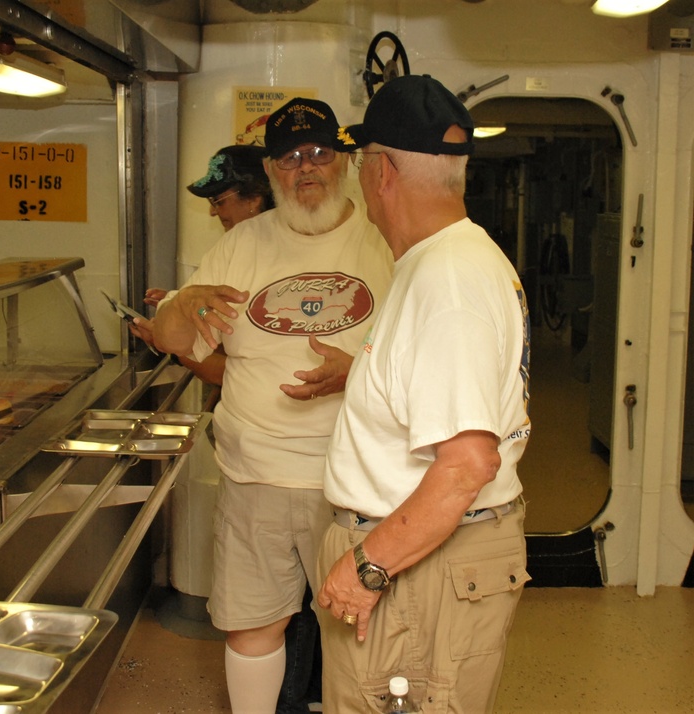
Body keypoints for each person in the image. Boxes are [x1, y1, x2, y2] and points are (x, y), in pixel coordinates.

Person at [153, 97, 394, 714]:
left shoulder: (383, 239)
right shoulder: (242, 245)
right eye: (288, 158)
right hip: (254, 470)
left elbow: (424, 354)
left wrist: (357, 373)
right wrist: (175, 311)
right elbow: (181, 342)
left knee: (362, 634)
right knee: (252, 625)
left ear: (343, 159)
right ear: (270, 171)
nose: (304, 168)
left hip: (357, 480)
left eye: (318, 153)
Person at [316, 75, 531, 713]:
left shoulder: (448, 281)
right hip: (424, 557)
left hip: (417, 569)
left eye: (357, 162)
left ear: (380, 170)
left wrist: (368, 565)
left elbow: (468, 463)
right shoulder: (446, 261)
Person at [131, 144, 274, 386]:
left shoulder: (276, 263)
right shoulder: (233, 251)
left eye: (218, 200)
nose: (211, 211)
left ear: (254, 199)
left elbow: (238, 373)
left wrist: (168, 342)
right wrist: (182, 310)